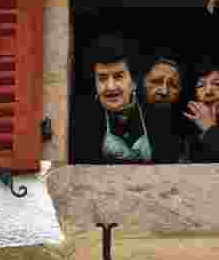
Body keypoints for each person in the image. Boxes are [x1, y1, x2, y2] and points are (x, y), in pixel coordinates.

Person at [69, 35, 179, 164]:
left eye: (118, 77)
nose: (110, 87)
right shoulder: (82, 119)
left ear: (133, 82)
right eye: (102, 78)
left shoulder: (156, 114)